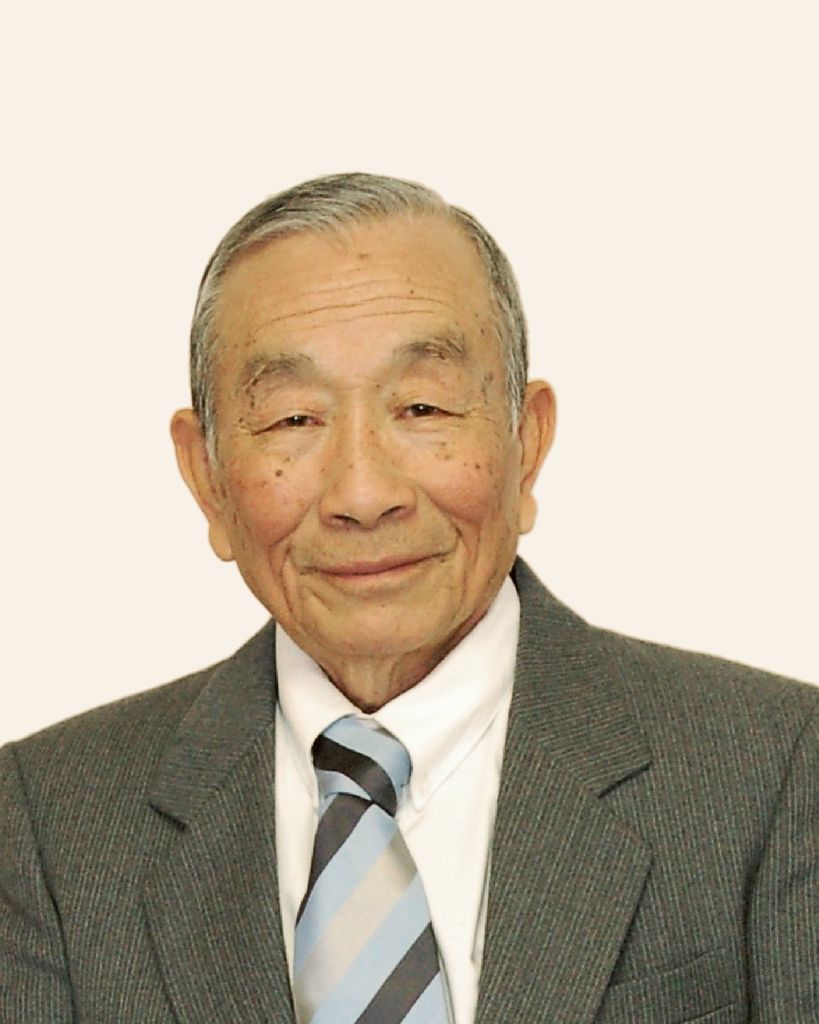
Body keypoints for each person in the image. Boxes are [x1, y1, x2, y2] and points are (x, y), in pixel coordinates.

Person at [0, 173, 816, 1024]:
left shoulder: (777, 772)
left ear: (527, 443)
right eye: (293, 420)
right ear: (205, 477)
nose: (363, 493)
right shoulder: (48, 825)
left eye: (422, 406)